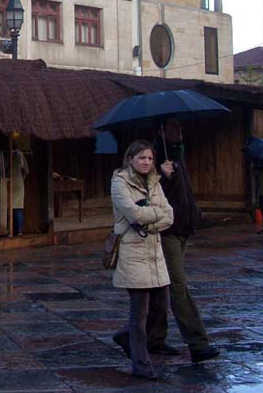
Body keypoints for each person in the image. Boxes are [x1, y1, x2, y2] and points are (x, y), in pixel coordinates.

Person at [123, 117, 220, 364]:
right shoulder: (152, 159)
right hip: (165, 233)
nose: (180, 131)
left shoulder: (177, 154)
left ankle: (146, 338)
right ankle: (198, 344)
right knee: (178, 287)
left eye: (181, 126)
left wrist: (194, 214)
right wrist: (161, 175)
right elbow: (142, 194)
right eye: (174, 128)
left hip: (183, 227)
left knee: (161, 289)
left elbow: (183, 192)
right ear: (162, 130)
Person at [109, 140, 174, 380]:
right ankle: (141, 364)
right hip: (133, 252)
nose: (146, 162)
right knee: (140, 314)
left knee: (161, 306)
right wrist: (155, 214)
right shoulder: (120, 182)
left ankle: (124, 336)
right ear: (130, 159)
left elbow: (170, 216)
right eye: (141, 158)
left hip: (154, 253)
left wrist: (150, 216)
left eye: (149, 158)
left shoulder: (155, 182)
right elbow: (133, 213)